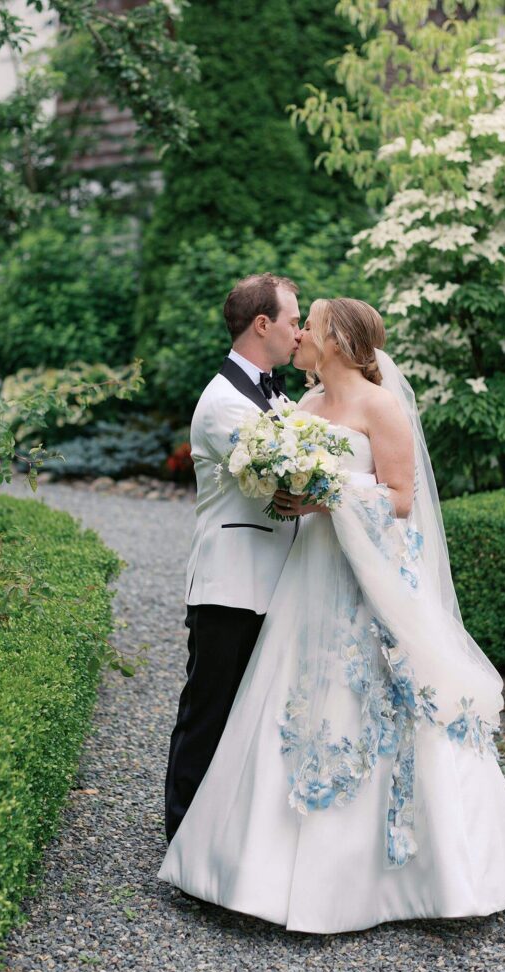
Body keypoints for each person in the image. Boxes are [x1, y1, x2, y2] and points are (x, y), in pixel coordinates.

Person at [159, 297, 505, 933]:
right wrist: (288, 496)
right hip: (308, 576)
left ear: (337, 340)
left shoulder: (379, 405)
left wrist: (325, 493)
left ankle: (425, 872)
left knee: (383, 702)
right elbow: (287, 486)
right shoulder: (302, 410)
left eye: (310, 324)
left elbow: (400, 498)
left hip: (368, 576)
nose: (303, 333)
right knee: (291, 698)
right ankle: (253, 867)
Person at [163, 273, 302, 844]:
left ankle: (232, 841)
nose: (300, 332)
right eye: (293, 321)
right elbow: (282, 483)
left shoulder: (279, 395)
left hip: (274, 583)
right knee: (209, 713)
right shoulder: (223, 403)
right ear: (262, 324)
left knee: (253, 717)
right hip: (230, 585)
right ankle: (183, 840)